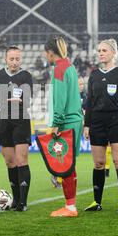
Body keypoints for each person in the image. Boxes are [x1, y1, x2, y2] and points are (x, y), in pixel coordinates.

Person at [83, 39, 118, 212]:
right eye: (99, 50)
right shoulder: (94, 75)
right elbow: (89, 102)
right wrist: (87, 124)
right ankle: (97, 202)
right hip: (97, 122)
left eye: (104, 50)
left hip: (117, 121)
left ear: (113, 53)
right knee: (98, 163)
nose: (100, 53)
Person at [45, 37, 83, 217]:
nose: (46, 56)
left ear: (50, 53)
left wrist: (56, 124)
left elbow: (60, 100)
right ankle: (70, 205)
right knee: (70, 164)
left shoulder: (59, 69)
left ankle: (70, 207)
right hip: (75, 119)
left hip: (66, 121)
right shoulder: (70, 67)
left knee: (66, 165)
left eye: (46, 53)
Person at [0, 45, 33, 211]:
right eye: (11, 59)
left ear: (20, 59)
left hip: (21, 119)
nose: (15, 62)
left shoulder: (26, 76)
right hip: (4, 121)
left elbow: (28, 98)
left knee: (21, 160)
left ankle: (23, 202)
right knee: (10, 161)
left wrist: (19, 100)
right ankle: (15, 199)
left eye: (17, 59)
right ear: (6, 59)